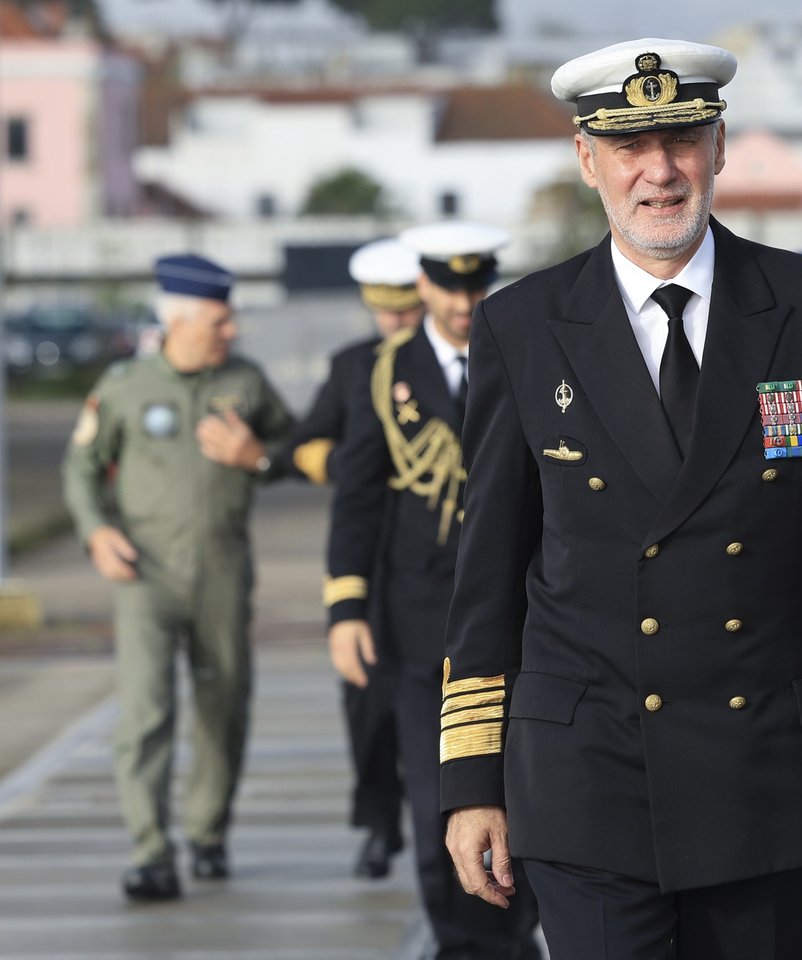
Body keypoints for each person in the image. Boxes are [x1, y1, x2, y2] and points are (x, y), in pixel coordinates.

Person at [440, 38, 802, 960]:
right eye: (629, 147)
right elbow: (488, 572)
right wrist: (472, 779)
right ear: (587, 159)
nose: (660, 171)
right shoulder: (522, 327)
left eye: (681, 140)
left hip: (759, 774)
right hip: (587, 777)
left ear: (719, 147)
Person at [323, 222, 540, 959]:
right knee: (435, 790)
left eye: (474, 287)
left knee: (523, 784)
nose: (462, 303)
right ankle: (459, 939)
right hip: (420, 622)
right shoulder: (384, 372)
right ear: (423, 287)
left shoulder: (525, 351)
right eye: (448, 289)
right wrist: (346, 607)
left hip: (517, 615)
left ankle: (513, 932)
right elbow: (357, 499)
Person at [61, 254, 294, 901]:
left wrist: (258, 457)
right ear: (181, 321)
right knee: (146, 711)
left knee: (224, 705)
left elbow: (297, 447)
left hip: (223, 571)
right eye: (220, 320)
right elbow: (81, 467)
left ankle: (208, 832)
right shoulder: (124, 386)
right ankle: (150, 851)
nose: (232, 330)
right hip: (146, 574)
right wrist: (95, 532)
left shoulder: (245, 382)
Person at [281, 238, 424, 880]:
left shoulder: (465, 359)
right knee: (367, 705)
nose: (396, 321)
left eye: (406, 309)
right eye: (385, 311)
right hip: (368, 558)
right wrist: (352, 465)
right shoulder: (352, 366)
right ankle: (378, 824)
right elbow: (303, 446)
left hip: (433, 558)